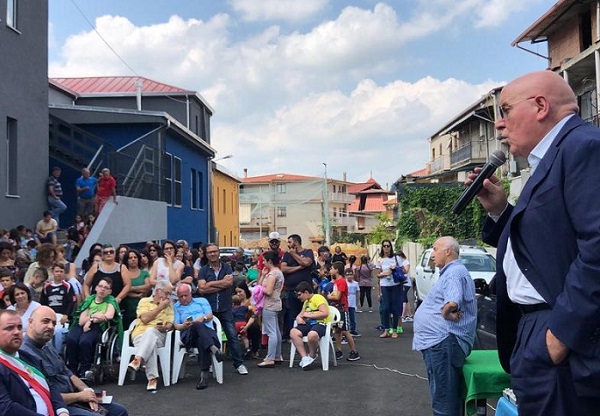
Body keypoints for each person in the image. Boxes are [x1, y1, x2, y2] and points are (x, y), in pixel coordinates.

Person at [469, 70, 600, 415]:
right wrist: (500, 211)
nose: (498, 125)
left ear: (541, 106)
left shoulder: (583, 147)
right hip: (535, 328)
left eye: (506, 110)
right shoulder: (552, 158)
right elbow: (545, 244)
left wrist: (561, 335)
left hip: (561, 330)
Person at [20, 306, 129, 416]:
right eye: (45, 321)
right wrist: (79, 396)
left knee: (119, 411)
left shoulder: (47, 345)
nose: (50, 326)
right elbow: (45, 395)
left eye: (53, 323)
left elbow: (68, 373)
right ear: (30, 322)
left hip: (74, 396)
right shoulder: (25, 353)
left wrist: (87, 392)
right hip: (57, 405)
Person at [412, 237, 476, 416]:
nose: (433, 255)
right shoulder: (453, 271)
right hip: (441, 342)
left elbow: (452, 302)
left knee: (444, 402)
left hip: (444, 342)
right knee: (446, 398)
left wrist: (445, 313)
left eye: (435, 249)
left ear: (448, 251)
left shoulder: (454, 272)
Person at [0, 309, 69, 416]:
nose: (17, 332)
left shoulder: (27, 357)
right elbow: (6, 408)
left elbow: (50, 387)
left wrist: (62, 411)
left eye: (19, 327)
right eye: (9, 328)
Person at [197, 243, 249, 375]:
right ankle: (207, 365)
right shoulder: (203, 270)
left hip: (225, 307)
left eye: (215, 251)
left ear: (219, 253)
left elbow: (229, 283)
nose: (213, 254)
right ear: (206, 254)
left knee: (232, 335)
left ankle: (239, 364)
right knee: (209, 337)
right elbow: (202, 289)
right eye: (210, 252)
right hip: (209, 308)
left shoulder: (226, 267)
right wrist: (221, 284)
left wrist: (210, 285)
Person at [66, 276, 120, 380]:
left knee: (85, 341)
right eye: (100, 286)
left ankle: (85, 369)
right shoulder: (90, 300)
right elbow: (81, 320)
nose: (102, 289)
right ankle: (72, 369)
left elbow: (109, 316)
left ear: (109, 291)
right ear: (96, 288)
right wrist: (96, 316)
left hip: (98, 327)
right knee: (71, 339)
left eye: (106, 287)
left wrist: (91, 320)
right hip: (83, 325)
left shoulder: (110, 301)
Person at [172, 283, 223, 390]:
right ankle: (213, 348)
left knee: (201, 338)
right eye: (181, 296)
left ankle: (203, 378)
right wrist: (183, 325)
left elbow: (210, 316)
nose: (183, 298)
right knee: (197, 325)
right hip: (189, 336)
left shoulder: (202, 301)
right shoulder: (176, 306)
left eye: (186, 295)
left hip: (207, 333)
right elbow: (176, 325)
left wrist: (203, 318)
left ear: (191, 294)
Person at [127, 280, 174, 391]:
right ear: (158, 291)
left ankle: (138, 359)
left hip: (160, 335)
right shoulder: (144, 301)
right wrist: (159, 308)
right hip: (139, 335)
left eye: (170, 294)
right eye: (167, 293)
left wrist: (165, 327)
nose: (168, 296)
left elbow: (169, 324)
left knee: (151, 332)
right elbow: (144, 319)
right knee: (150, 337)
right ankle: (152, 379)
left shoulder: (169, 306)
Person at [289, 281, 331, 370]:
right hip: (310, 324)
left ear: (306, 292)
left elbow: (325, 313)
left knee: (312, 335)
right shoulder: (306, 302)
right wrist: (299, 318)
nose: (298, 297)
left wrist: (309, 315)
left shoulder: (318, 298)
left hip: (321, 323)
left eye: (300, 295)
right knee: (293, 332)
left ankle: (311, 356)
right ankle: (304, 358)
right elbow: (301, 314)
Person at [280, 234, 314, 340]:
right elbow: (283, 269)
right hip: (291, 289)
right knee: (292, 313)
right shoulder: (286, 254)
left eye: (289, 242)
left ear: (296, 242)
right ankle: (292, 336)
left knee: (308, 312)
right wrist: (299, 267)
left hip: (306, 291)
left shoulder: (308, 252)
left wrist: (294, 254)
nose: (288, 244)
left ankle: (308, 334)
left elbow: (306, 262)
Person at [255, 250, 284, 368]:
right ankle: (277, 355)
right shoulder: (277, 272)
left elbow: (268, 291)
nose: (262, 262)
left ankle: (270, 357)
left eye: (264, 260)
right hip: (276, 303)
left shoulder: (273, 275)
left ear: (269, 261)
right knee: (276, 330)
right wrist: (263, 275)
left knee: (272, 332)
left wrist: (259, 289)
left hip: (269, 304)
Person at [327, 262, 360, 361]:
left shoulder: (341, 281)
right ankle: (338, 350)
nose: (330, 270)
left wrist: (329, 296)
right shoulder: (336, 282)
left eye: (332, 268)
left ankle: (354, 351)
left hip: (342, 309)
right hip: (336, 309)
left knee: (345, 331)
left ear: (336, 270)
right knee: (337, 330)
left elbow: (337, 296)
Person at [39, 263, 76, 352]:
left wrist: (66, 315)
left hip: (62, 317)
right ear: (52, 272)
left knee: (59, 334)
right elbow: (43, 303)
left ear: (64, 273)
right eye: (57, 271)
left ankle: (58, 353)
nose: (59, 273)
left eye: (61, 271)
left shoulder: (67, 286)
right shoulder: (47, 287)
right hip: (50, 316)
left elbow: (71, 302)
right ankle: (47, 352)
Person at [375, 240, 403, 338]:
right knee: (385, 308)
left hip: (395, 284)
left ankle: (394, 330)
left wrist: (394, 269)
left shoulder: (396, 258)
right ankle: (386, 329)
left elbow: (403, 270)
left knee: (395, 307)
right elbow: (377, 275)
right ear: (382, 247)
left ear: (391, 247)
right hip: (385, 285)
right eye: (384, 246)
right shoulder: (380, 259)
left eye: (388, 246)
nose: (386, 248)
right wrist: (383, 273)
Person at [345, 268, 360, 337]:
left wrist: (358, 301)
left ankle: (353, 329)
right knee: (346, 316)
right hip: (346, 300)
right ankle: (346, 330)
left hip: (353, 300)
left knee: (352, 316)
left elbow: (358, 292)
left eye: (351, 274)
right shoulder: (345, 283)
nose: (349, 276)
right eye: (348, 275)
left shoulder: (355, 283)